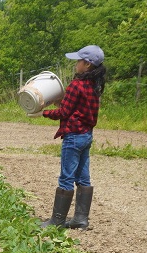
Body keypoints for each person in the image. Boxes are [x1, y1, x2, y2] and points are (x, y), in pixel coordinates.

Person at [39, 45, 105, 230]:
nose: (76, 64)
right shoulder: (94, 85)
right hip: (86, 136)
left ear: (88, 65)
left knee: (66, 178)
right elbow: (76, 107)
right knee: (83, 178)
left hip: (73, 136)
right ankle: (80, 219)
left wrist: (43, 113)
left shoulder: (76, 85)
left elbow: (65, 111)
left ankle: (57, 221)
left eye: (79, 61)